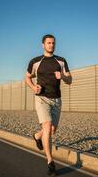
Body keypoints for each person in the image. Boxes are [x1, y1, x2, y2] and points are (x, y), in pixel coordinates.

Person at [26, 34, 72, 176]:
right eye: (48, 43)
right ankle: (50, 162)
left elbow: (70, 80)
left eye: (53, 43)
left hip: (57, 100)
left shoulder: (61, 61)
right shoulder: (35, 62)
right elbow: (27, 77)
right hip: (42, 99)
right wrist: (33, 87)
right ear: (43, 45)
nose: (51, 45)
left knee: (52, 130)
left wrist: (63, 77)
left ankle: (37, 136)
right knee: (47, 126)